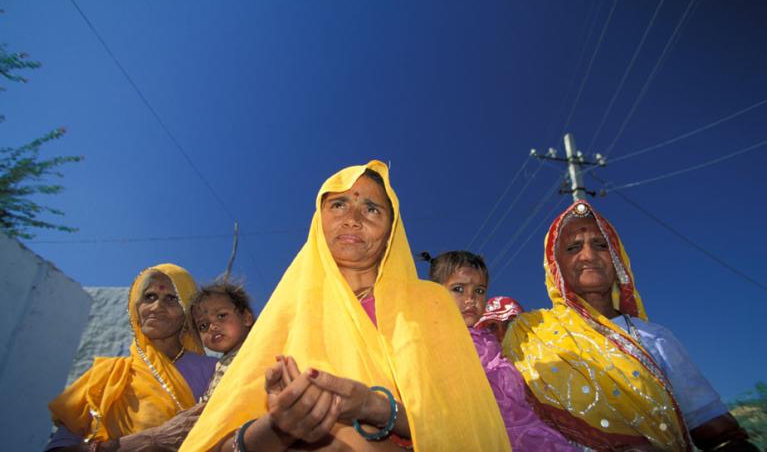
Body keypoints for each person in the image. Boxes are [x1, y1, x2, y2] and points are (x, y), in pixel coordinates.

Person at [181, 161, 510, 451]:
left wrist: (376, 408)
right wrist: (281, 426)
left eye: (371, 209)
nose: (352, 219)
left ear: (390, 232)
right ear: (318, 220)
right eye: (338, 205)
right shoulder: (284, 317)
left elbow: (470, 429)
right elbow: (218, 442)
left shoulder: (431, 304)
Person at [504, 200, 756, 451]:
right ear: (555, 265)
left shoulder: (654, 338)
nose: (588, 256)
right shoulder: (529, 335)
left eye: (601, 245)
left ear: (617, 260)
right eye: (573, 248)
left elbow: (713, 427)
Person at [47, 264, 217, 451]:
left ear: (187, 310)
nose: (157, 307)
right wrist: (149, 440)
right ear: (135, 307)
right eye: (149, 297)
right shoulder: (105, 376)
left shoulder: (215, 371)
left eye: (171, 299)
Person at [425, 250, 578, 452]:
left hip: (528, 432)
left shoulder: (493, 345)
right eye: (458, 289)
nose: (470, 299)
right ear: (435, 294)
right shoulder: (433, 341)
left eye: (479, 291)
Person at [190, 279, 255, 402]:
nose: (212, 327)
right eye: (203, 325)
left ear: (246, 318)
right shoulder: (219, 365)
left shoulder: (256, 351)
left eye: (221, 316)